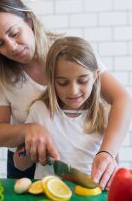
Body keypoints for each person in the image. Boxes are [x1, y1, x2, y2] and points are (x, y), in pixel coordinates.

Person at [0, 0, 132, 189]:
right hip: (27, 165)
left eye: (14, 33)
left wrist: (107, 153)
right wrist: (28, 130)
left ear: (29, 20)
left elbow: (123, 100)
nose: (12, 47)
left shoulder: (68, 52)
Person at [14, 36, 111, 183]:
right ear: (51, 81)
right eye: (63, 82)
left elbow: (112, 163)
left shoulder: (105, 113)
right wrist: (30, 151)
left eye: (83, 80)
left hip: (91, 195)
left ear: (95, 76)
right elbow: (19, 163)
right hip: (48, 194)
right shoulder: (40, 111)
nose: (73, 91)